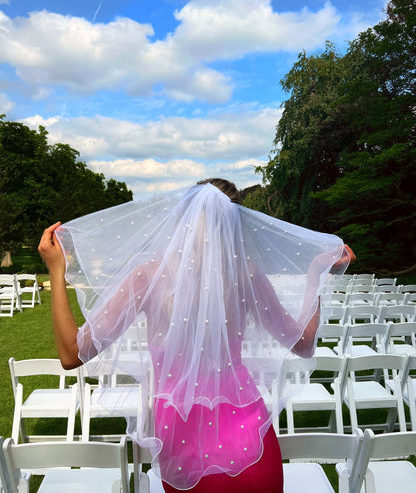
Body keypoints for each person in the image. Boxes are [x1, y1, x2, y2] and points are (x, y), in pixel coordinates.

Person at [38, 178, 354, 492]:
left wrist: (56, 271)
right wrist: (315, 277)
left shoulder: (149, 276)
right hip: (253, 441)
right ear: (234, 226)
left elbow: (70, 354)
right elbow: (303, 343)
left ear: (181, 218)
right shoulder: (244, 275)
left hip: (184, 444)